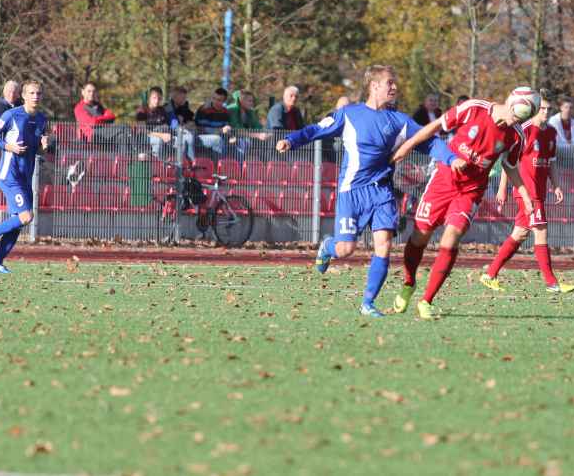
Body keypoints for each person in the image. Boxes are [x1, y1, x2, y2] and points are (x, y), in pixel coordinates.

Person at [275, 65, 458, 317]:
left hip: (382, 192)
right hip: (352, 191)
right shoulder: (349, 114)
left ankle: (368, 304)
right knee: (345, 249)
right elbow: (316, 129)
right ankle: (328, 246)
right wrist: (291, 140)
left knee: (384, 245)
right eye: (390, 82)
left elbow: (430, 142)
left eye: (394, 82)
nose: (394, 87)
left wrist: (451, 159)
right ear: (374, 86)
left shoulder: (400, 121)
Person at [389, 88, 539, 320]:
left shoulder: (516, 135)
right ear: (510, 102)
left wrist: (525, 196)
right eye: (515, 115)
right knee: (420, 236)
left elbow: (510, 166)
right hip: (443, 180)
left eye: (521, 119)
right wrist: (407, 146)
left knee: (451, 237)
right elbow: (436, 126)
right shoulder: (473, 109)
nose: (515, 121)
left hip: (470, 191)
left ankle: (426, 300)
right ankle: (409, 283)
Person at [481, 93, 574, 293]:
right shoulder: (524, 130)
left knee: (520, 233)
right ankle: (552, 283)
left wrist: (556, 185)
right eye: (542, 109)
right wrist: (502, 189)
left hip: (540, 192)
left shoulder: (551, 133)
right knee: (541, 231)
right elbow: (509, 162)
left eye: (549, 109)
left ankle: (490, 274)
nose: (546, 112)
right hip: (527, 193)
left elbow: (551, 163)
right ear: (534, 110)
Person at [0, 80, 50, 274]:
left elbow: (39, 151)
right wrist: (8, 146)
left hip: (25, 177)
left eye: (38, 93)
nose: (35, 96)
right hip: (9, 175)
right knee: (26, 216)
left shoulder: (42, 120)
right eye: (31, 93)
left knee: (18, 222)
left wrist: (44, 147)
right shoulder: (11, 115)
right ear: (24, 96)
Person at [136, 86, 194, 164]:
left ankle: (184, 164)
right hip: (150, 137)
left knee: (183, 140)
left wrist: (180, 128)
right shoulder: (142, 110)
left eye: (159, 98)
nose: (157, 101)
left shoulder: (162, 110)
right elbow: (143, 130)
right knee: (159, 141)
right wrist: (161, 135)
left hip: (167, 135)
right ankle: (159, 166)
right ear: (149, 98)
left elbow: (171, 125)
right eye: (154, 98)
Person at [225, 89, 271, 158]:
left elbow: (257, 126)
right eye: (249, 101)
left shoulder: (250, 111)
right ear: (241, 101)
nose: (252, 103)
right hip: (229, 138)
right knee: (245, 142)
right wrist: (258, 135)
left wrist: (267, 133)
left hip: (244, 137)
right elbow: (237, 131)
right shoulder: (232, 110)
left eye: (252, 101)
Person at [195, 87, 235, 158]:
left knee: (237, 142)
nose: (215, 101)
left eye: (219, 100)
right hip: (202, 137)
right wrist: (219, 131)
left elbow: (226, 127)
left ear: (224, 101)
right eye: (214, 98)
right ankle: (219, 164)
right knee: (217, 139)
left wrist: (229, 132)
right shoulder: (204, 109)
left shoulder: (225, 111)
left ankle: (232, 164)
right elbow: (200, 128)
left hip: (220, 136)